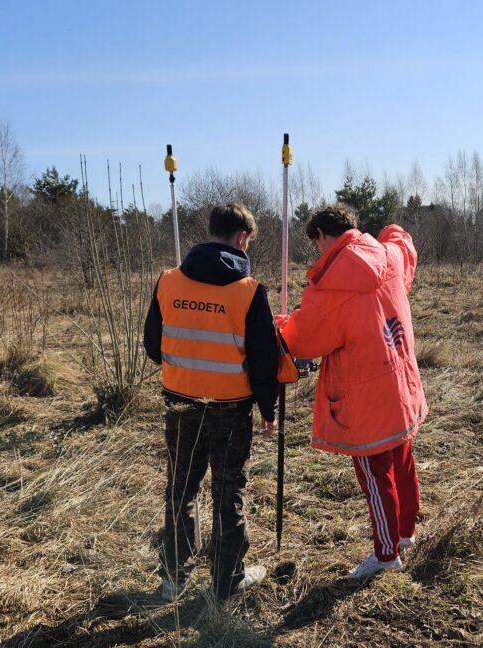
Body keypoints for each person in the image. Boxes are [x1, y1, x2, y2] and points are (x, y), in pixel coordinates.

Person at [277, 204, 427, 579]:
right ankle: (406, 532)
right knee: (402, 461)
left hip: (364, 402)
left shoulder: (329, 288)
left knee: (376, 478)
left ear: (322, 237)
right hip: (401, 385)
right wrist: (390, 228)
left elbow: (304, 340)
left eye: (317, 245)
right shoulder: (388, 255)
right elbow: (402, 241)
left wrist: (283, 324)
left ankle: (386, 554)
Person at [143, 202, 277, 601]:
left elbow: (153, 346)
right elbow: (264, 361)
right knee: (228, 492)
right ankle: (226, 583)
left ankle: (174, 579)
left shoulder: (168, 281)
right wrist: (268, 410)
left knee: (181, 490)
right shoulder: (250, 292)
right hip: (231, 411)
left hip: (180, 405)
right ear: (241, 238)